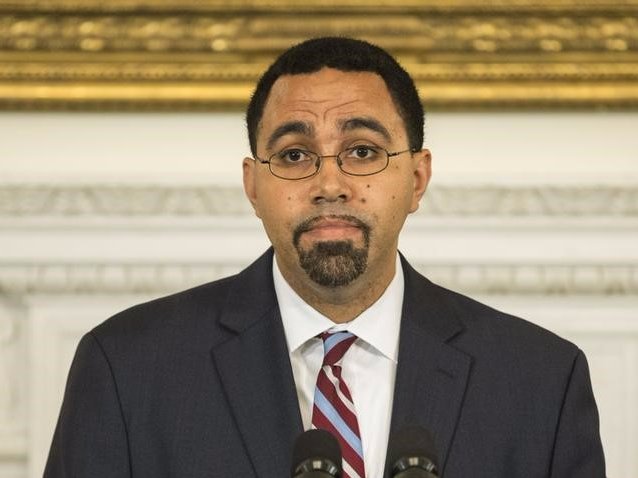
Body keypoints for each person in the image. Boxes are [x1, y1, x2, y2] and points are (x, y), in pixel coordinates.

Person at [44, 37, 605, 478]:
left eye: (362, 151)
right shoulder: (126, 369)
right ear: (253, 186)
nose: (329, 183)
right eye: (294, 155)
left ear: (416, 178)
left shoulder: (540, 382)